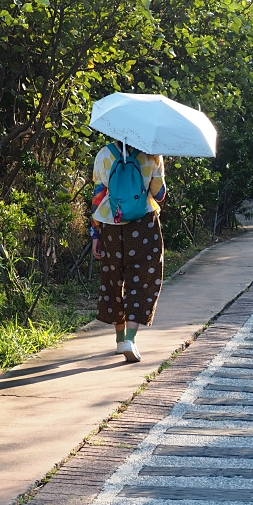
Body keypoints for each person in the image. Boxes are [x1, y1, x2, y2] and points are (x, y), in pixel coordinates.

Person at [90, 140, 166, 362]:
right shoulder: (152, 155)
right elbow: (159, 195)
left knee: (113, 278)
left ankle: (119, 338)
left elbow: (97, 197)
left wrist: (95, 233)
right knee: (143, 278)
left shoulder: (104, 154)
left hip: (110, 224)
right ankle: (130, 339)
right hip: (143, 224)